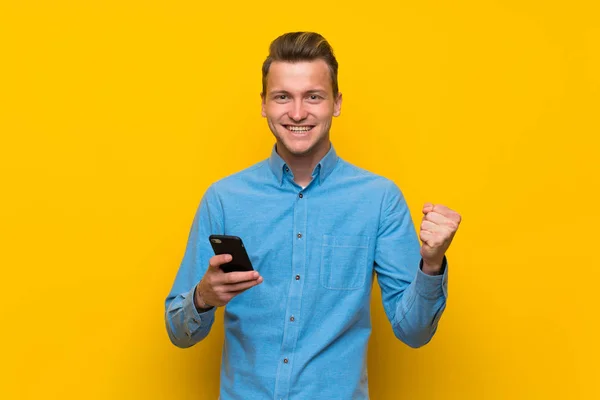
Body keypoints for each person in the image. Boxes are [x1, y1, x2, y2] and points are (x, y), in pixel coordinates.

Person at [165, 31, 461, 399]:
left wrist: (431, 265)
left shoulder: (378, 200)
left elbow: (414, 332)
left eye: (314, 97)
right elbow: (178, 331)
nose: (298, 112)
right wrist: (202, 297)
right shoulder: (224, 199)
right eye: (282, 97)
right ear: (263, 104)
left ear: (336, 103)